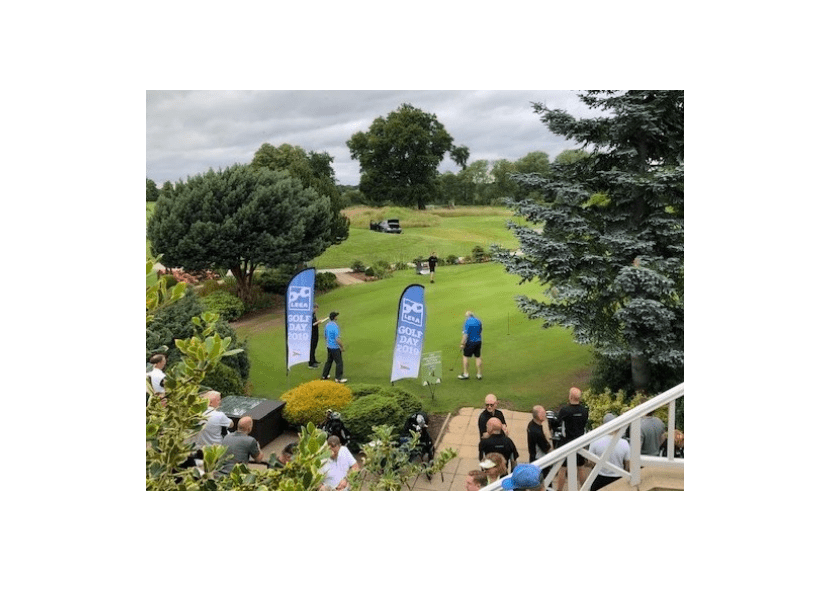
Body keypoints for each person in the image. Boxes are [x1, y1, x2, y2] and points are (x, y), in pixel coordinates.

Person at [555, 387, 589, 491]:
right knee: (581, 467)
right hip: (579, 442)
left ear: (570, 396)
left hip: (567, 442)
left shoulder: (565, 410)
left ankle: (559, 491)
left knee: (562, 468)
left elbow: (557, 423)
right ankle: (585, 489)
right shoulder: (584, 411)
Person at [587, 413, 631, 491]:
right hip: (618, 478)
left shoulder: (595, 441)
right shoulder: (624, 443)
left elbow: (590, 461)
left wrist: (597, 468)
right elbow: (628, 464)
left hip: (599, 478)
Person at [321, 311, 347, 383]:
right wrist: (342, 347)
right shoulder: (335, 326)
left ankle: (324, 375)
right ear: (334, 317)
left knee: (329, 361)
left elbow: (325, 336)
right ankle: (338, 378)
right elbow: (337, 339)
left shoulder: (327, 325)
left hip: (329, 346)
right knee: (339, 363)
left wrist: (328, 343)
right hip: (335, 347)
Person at [458, 311, 483, 380]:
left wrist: (462, 344)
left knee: (465, 357)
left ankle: (466, 374)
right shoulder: (478, 321)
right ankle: (479, 374)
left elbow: (465, 335)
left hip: (470, 342)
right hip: (478, 341)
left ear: (468, 316)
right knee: (478, 357)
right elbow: (480, 330)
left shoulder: (467, 322)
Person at [309, 303, 328, 368]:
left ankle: (314, 360)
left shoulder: (313, 314)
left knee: (314, 347)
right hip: (312, 333)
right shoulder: (310, 315)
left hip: (315, 332)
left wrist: (318, 322)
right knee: (312, 348)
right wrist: (318, 322)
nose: (317, 310)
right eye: (316, 308)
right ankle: (311, 363)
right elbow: (311, 324)